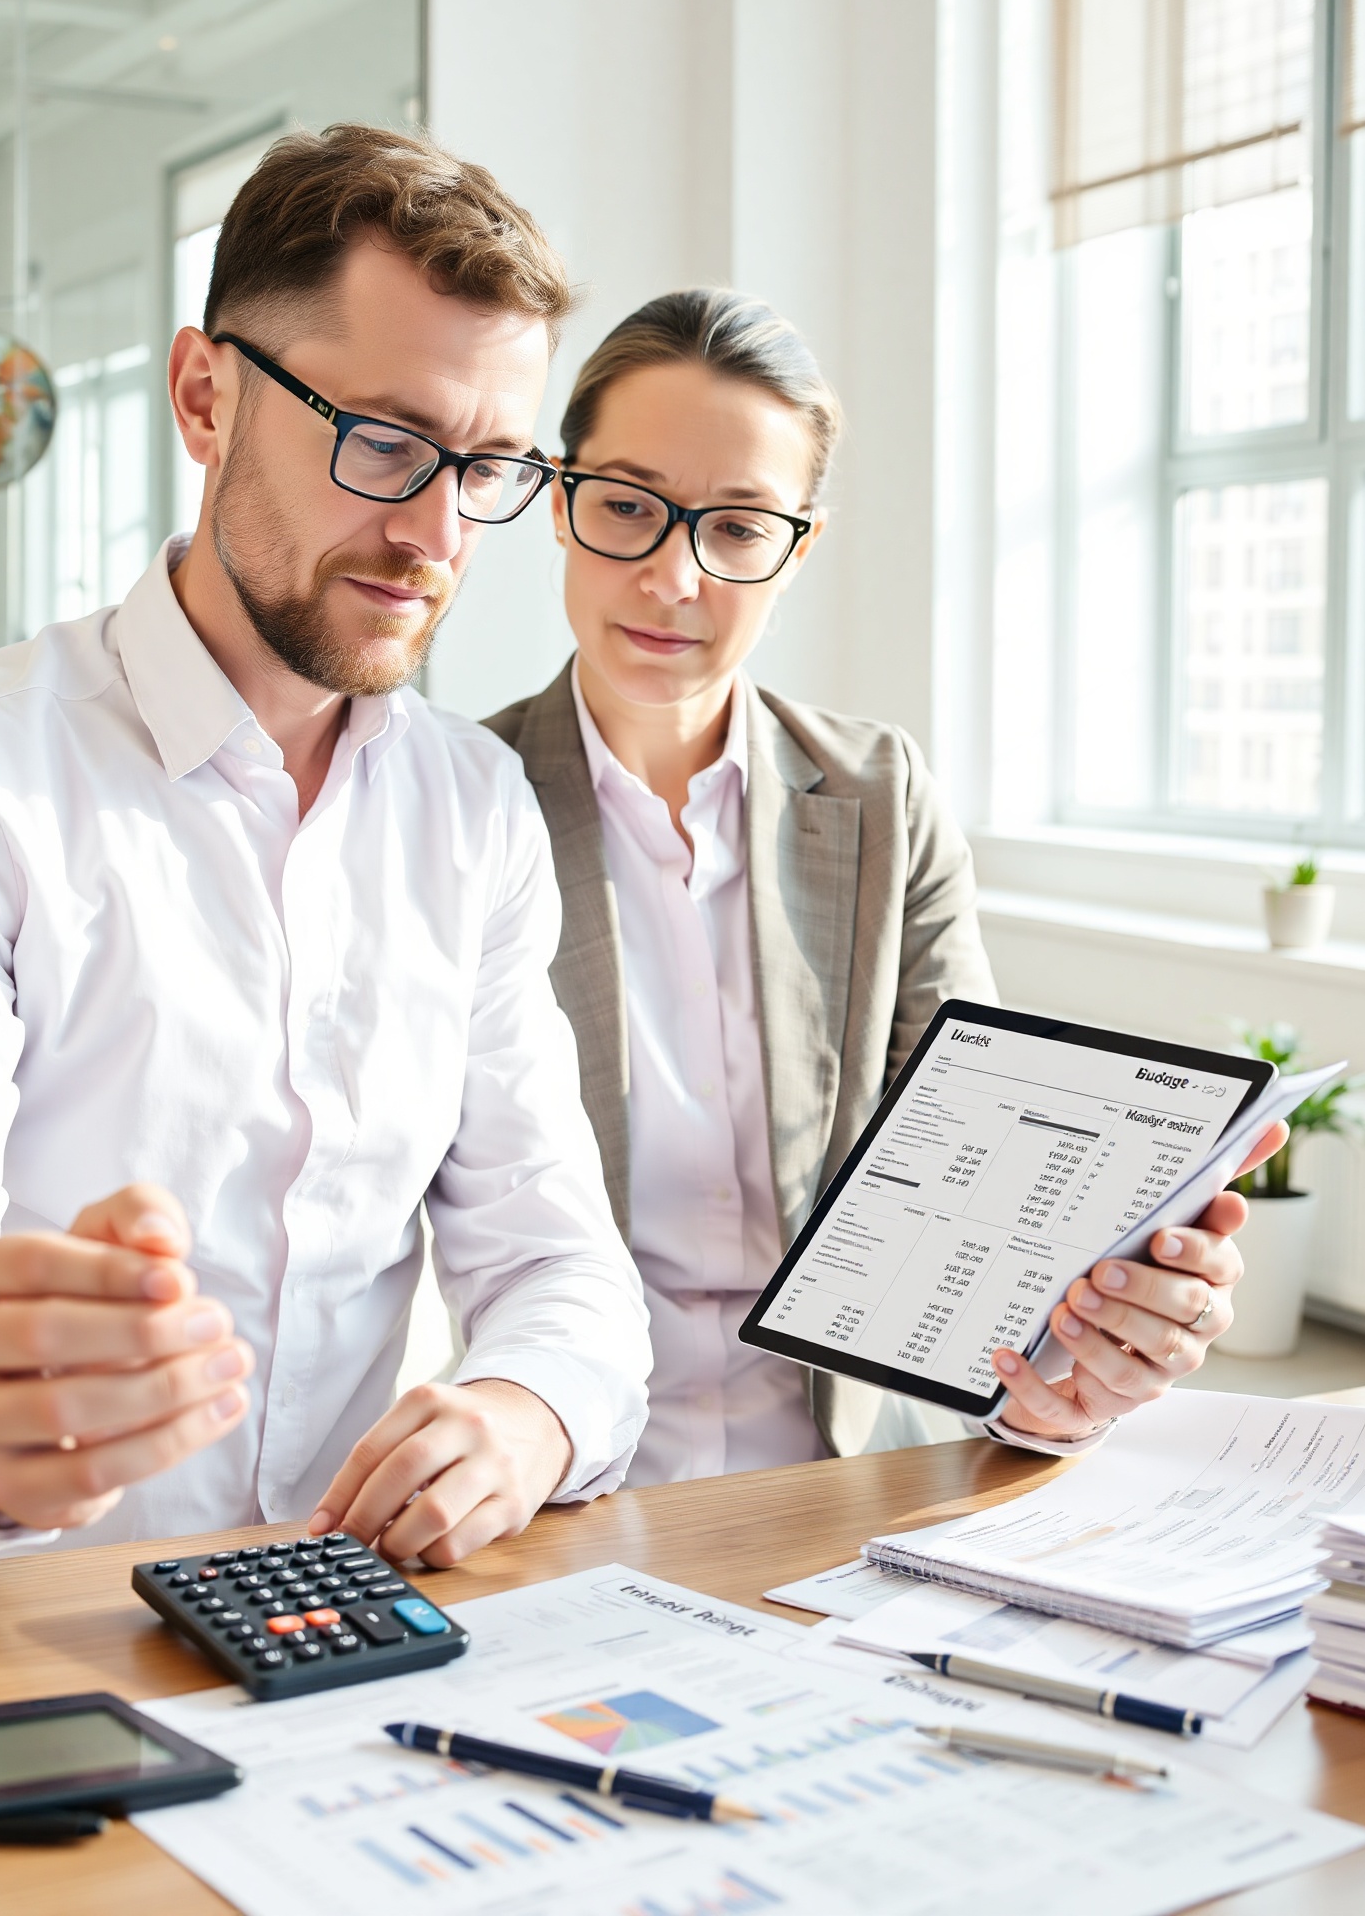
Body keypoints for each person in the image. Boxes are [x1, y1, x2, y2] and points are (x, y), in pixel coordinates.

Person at [0, 126, 652, 1579]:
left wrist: (521, 1413)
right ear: (203, 397)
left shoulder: (473, 812)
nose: (434, 532)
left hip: (318, 1641)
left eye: (487, 468)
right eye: (385, 441)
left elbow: (563, 1272)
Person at [485, 289, 1282, 1482]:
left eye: (739, 528)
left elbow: (985, 1173)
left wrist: (1082, 1356)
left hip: (853, 1465)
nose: (671, 576)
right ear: (557, 502)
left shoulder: (877, 795)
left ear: (796, 549)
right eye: (626, 507)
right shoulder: (461, 800)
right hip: (563, 1471)